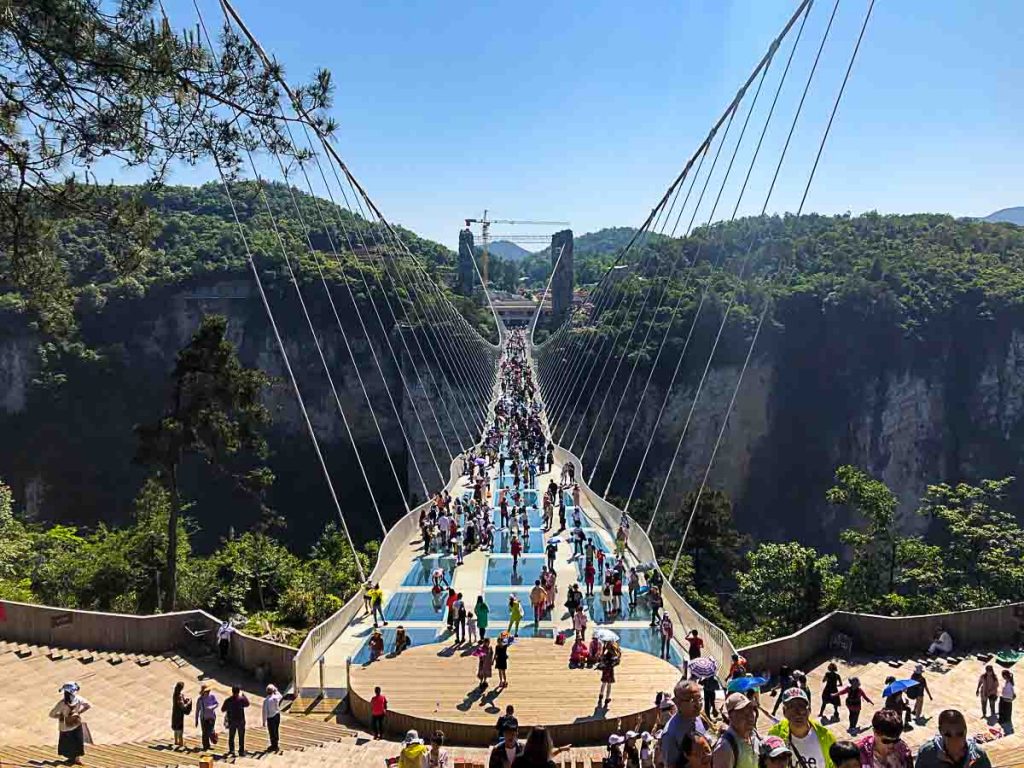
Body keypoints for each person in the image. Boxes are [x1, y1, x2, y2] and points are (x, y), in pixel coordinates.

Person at [768, 687, 836, 768]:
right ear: (784, 712)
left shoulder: (826, 737)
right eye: (791, 707)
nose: (797, 712)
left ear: (809, 710)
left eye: (802, 706)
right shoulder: (775, 735)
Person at [913, 709, 991, 768]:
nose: (955, 740)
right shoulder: (927, 754)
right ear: (940, 732)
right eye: (948, 735)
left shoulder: (979, 755)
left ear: (966, 730)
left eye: (960, 734)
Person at [660, 679, 707, 766]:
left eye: (699, 699)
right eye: (692, 701)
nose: (698, 704)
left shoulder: (697, 717)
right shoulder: (671, 733)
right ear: (678, 703)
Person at [712, 693, 760, 768]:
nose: (751, 718)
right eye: (744, 713)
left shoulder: (754, 735)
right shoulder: (725, 747)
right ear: (731, 717)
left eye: (751, 711)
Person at [50, 682, 91, 766]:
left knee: (67, 742)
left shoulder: (62, 703)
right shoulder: (79, 699)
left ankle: (70, 758)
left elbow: (52, 714)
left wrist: (62, 716)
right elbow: (88, 705)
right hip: (76, 722)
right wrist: (78, 712)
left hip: (65, 725)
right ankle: (77, 759)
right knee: (77, 741)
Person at [221, 685, 249, 756]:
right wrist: (244, 696)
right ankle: (241, 751)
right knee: (241, 737)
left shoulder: (228, 700)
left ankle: (232, 750)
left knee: (231, 736)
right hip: (241, 721)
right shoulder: (242, 699)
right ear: (239, 691)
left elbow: (222, 709)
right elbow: (247, 704)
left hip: (232, 721)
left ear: (232, 691)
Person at [195, 683, 218, 751]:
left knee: (210, 731)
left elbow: (216, 703)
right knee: (204, 733)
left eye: (208, 691)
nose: (208, 692)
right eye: (206, 691)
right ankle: (206, 746)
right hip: (204, 718)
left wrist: (212, 707)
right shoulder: (200, 700)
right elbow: (197, 710)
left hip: (212, 717)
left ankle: (213, 738)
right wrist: (196, 720)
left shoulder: (212, 697)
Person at [597, 640, 620, 708]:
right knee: (609, 685)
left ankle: (601, 696)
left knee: (604, 683)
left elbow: (601, 660)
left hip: (605, 670)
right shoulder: (614, 654)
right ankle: (607, 699)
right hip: (610, 670)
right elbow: (616, 662)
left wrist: (603, 652)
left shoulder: (605, 654)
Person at [262, 683, 282, 752]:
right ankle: (276, 744)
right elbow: (280, 696)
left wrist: (264, 721)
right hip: (277, 715)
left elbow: (265, 712)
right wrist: (276, 690)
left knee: (272, 732)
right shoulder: (276, 697)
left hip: (271, 718)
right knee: (276, 730)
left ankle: (274, 745)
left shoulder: (266, 701)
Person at [171, 681, 190, 748]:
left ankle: (176, 741)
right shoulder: (179, 696)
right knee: (180, 729)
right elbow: (183, 707)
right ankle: (181, 743)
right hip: (179, 715)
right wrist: (188, 702)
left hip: (174, 713)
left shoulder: (175, 694)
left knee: (176, 729)